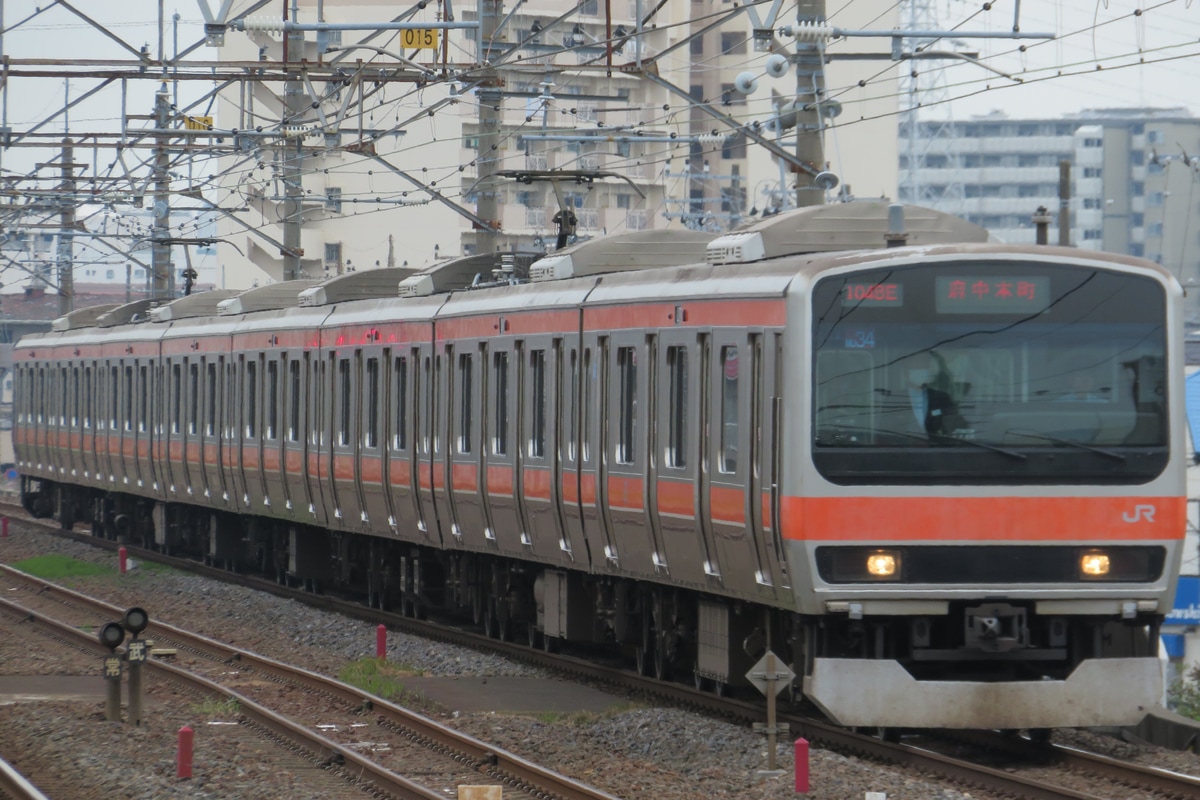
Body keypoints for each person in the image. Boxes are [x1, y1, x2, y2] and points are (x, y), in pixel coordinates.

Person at [904, 351, 966, 437]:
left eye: (925, 366)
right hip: (901, 448)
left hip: (939, 449)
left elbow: (957, 426)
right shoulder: (892, 398)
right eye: (917, 366)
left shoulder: (942, 398)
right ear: (906, 371)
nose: (922, 369)